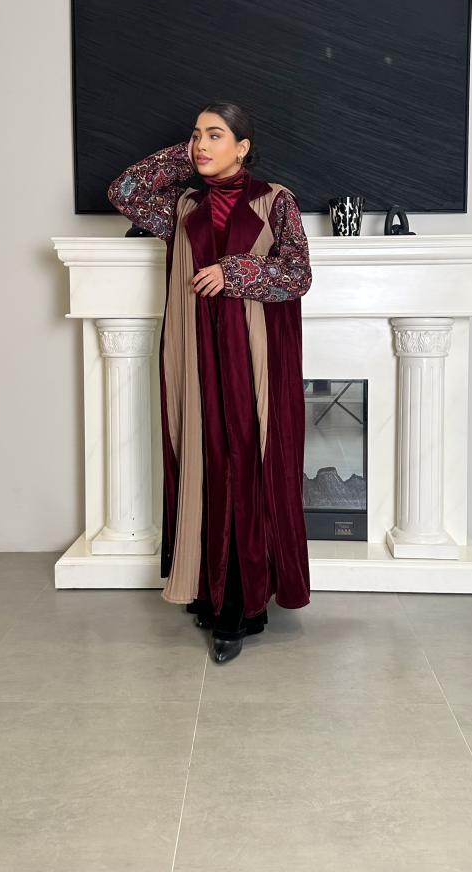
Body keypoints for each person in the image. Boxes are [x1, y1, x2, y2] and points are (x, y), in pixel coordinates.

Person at [107, 102, 313, 663]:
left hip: (252, 357)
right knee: (204, 461)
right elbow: (125, 191)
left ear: (244, 147)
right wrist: (193, 155)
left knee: (248, 463)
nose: (200, 144)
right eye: (196, 135)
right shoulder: (183, 205)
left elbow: (298, 274)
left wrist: (234, 271)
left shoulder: (275, 200)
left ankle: (242, 605)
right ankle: (210, 588)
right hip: (195, 353)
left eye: (215, 135)